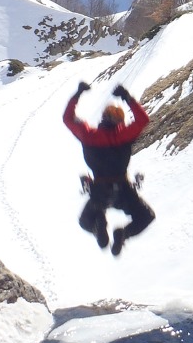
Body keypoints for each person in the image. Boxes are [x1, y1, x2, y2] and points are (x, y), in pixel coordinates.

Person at [63, 81, 155, 256]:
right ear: (120, 121)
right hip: (124, 189)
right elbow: (143, 120)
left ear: (103, 118)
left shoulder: (89, 134)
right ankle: (122, 234)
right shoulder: (124, 134)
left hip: (99, 190)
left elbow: (67, 118)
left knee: (85, 221)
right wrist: (127, 98)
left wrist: (77, 94)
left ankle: (98, 225)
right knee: (145, 216)